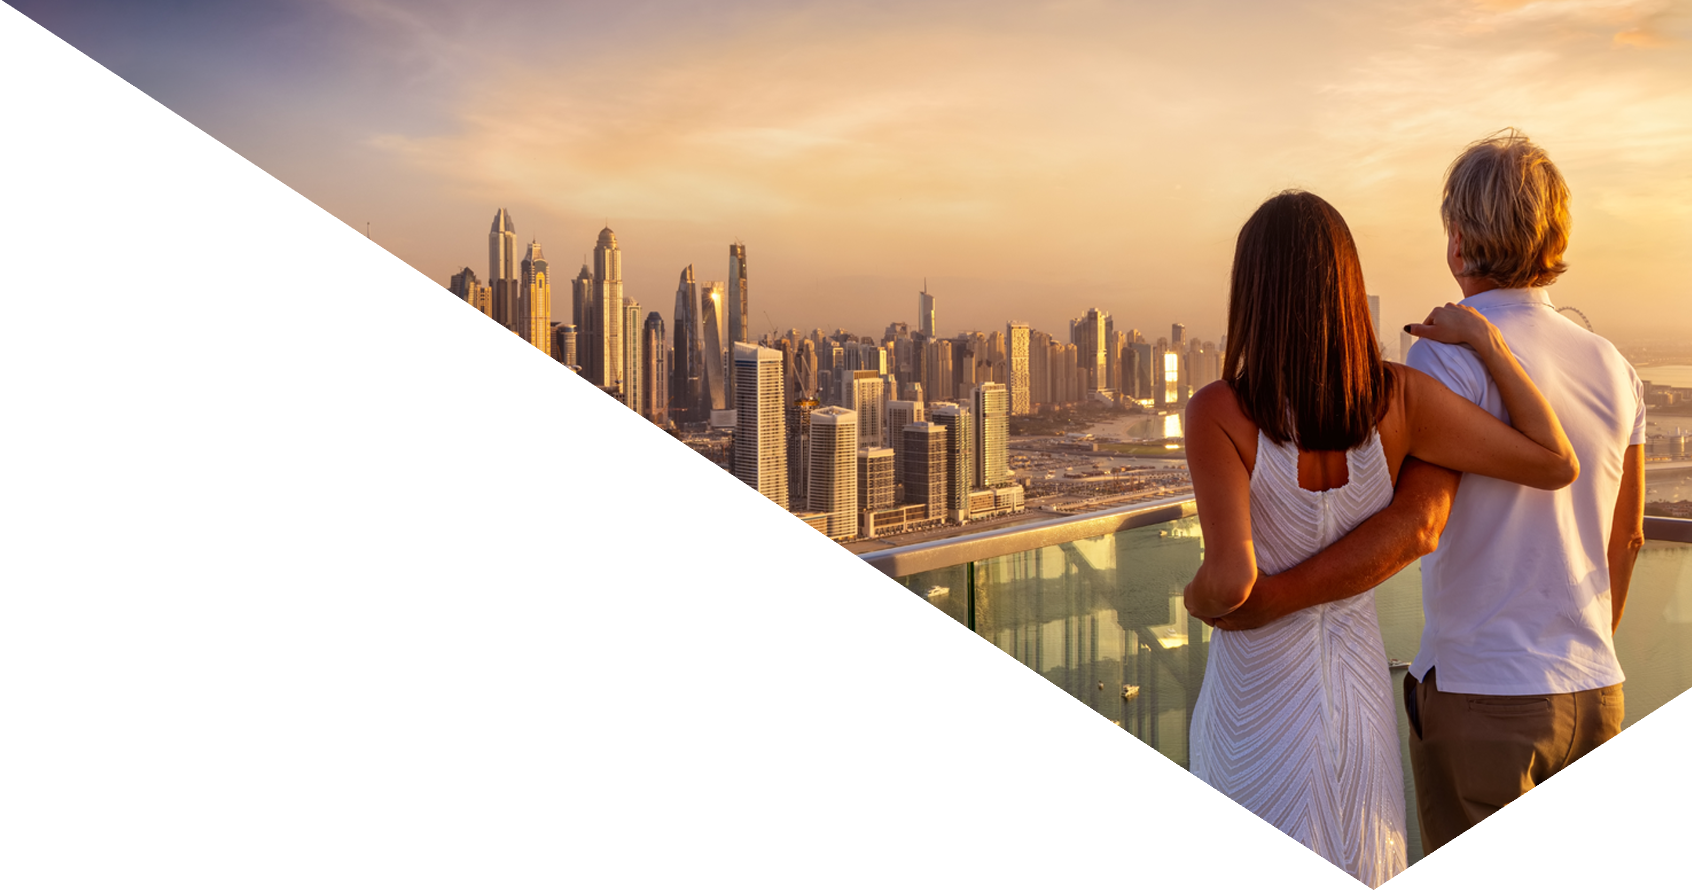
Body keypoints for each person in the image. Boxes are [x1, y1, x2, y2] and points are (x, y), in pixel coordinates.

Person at [1199, 132, 1647, 888]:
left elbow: (1417, 523)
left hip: (1482, 689)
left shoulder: (1440, 357)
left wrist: (1262, 598)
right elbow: (1628, 537)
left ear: (1459, 240)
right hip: (1594, 686)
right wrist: (1585, 645)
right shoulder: (1614, 363)